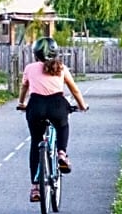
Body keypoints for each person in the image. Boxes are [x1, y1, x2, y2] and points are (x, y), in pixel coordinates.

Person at [17, 36, 88, 203]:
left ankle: (35, 187)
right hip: (57, 106)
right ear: (56, 52)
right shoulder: (61, 67)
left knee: (36, 142)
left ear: (35, 54)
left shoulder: (30, 68)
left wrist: (21, 103)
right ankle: (62, 154)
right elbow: (75, 90)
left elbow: (24, 87)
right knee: (62, 126)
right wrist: (82, 106)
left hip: (36, 106)